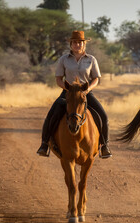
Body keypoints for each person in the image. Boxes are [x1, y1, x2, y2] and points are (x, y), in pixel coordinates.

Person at [37, 30, 112, 158]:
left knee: (103, 116)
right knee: (51, 115)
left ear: (84, 44)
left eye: (80, 43)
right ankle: (44, 144)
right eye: (75, 42)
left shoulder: (91, 59)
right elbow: (59, 79)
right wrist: (67, 89)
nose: (77, 45)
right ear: (71, 44)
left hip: (85, 93)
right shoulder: (63, 59)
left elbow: (96, 79)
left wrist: (87, 90)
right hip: (67, 93)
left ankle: (104, 146)